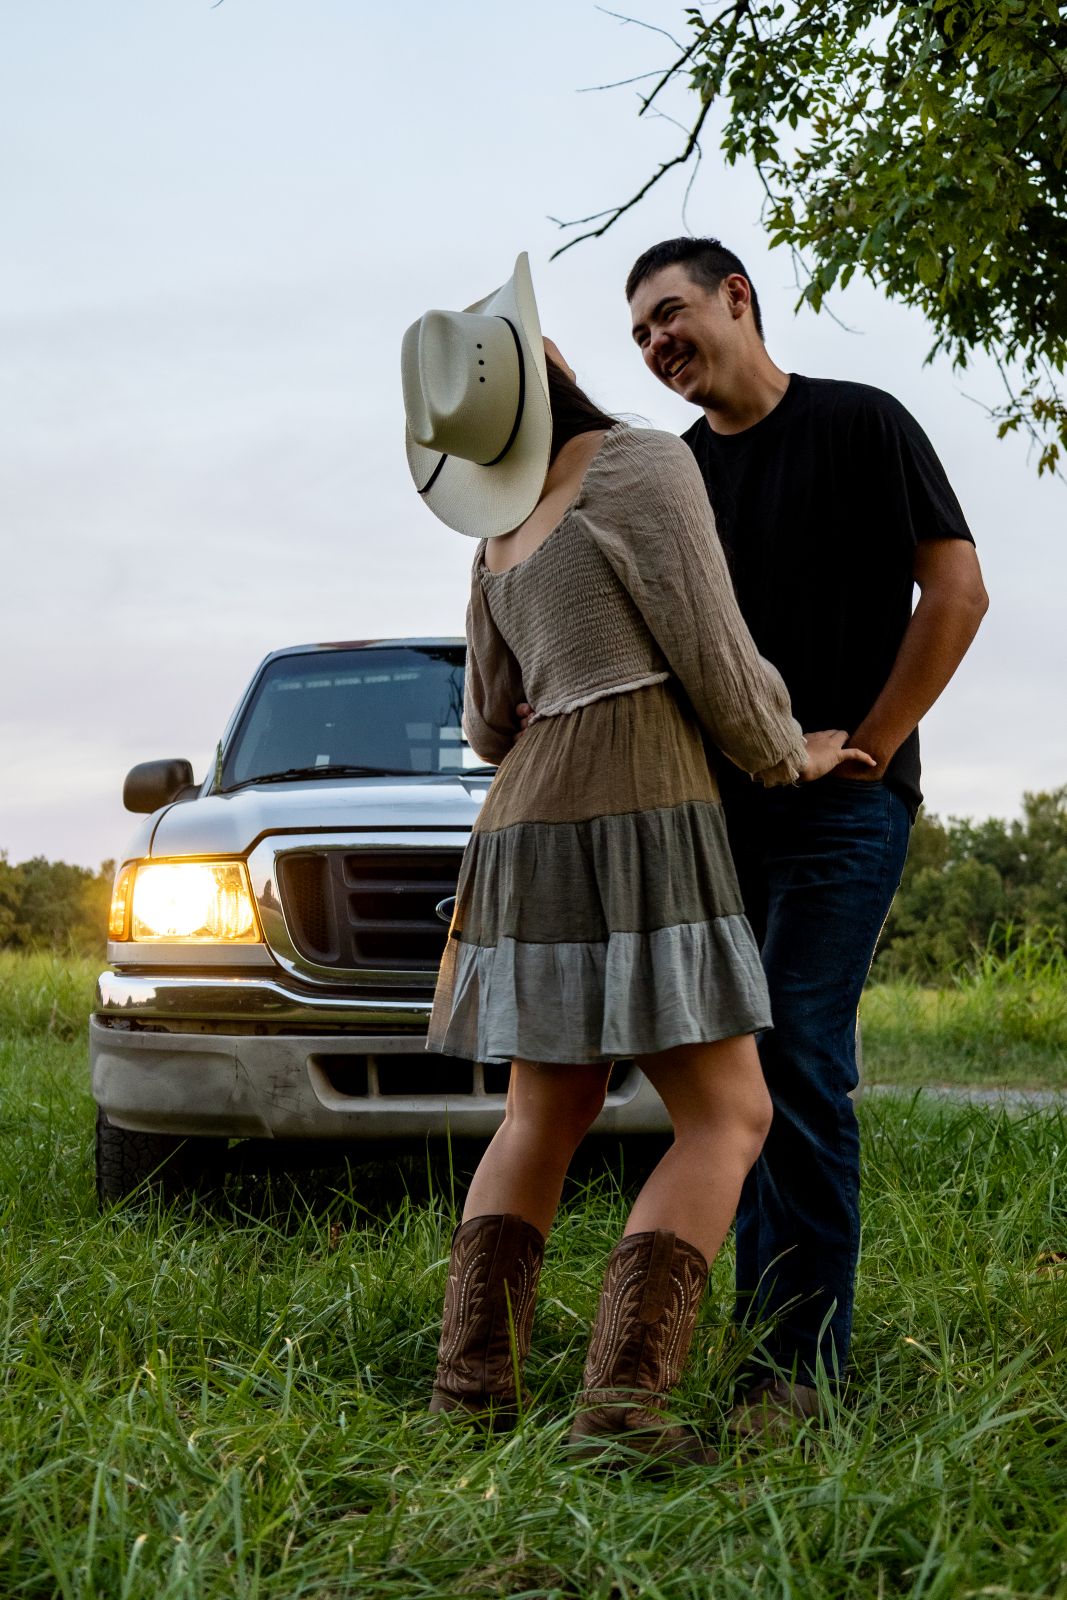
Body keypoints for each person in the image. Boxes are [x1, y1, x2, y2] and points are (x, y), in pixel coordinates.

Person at [401, 252, 872, 1466]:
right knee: (729, 1112)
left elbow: (485, 723)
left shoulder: (496, 530)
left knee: (541, 1112)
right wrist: (791, 754)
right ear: (544, 368)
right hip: (635, 799)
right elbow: (714, 657)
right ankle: (620, 1411)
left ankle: (470, 1392)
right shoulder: (642, 464)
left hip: (520, 815)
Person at [622, 236, 989, 1435]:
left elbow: (956, 590)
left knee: (797, 1057)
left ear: (738, 296)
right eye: (637, 336)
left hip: (840, 809)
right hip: (715, 820)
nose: (656, 344)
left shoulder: (861, 424)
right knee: (735, 1083)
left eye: (668, 312)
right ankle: (755, 1344)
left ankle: (800, 1370)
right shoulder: (672, 477)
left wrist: (874, 744)